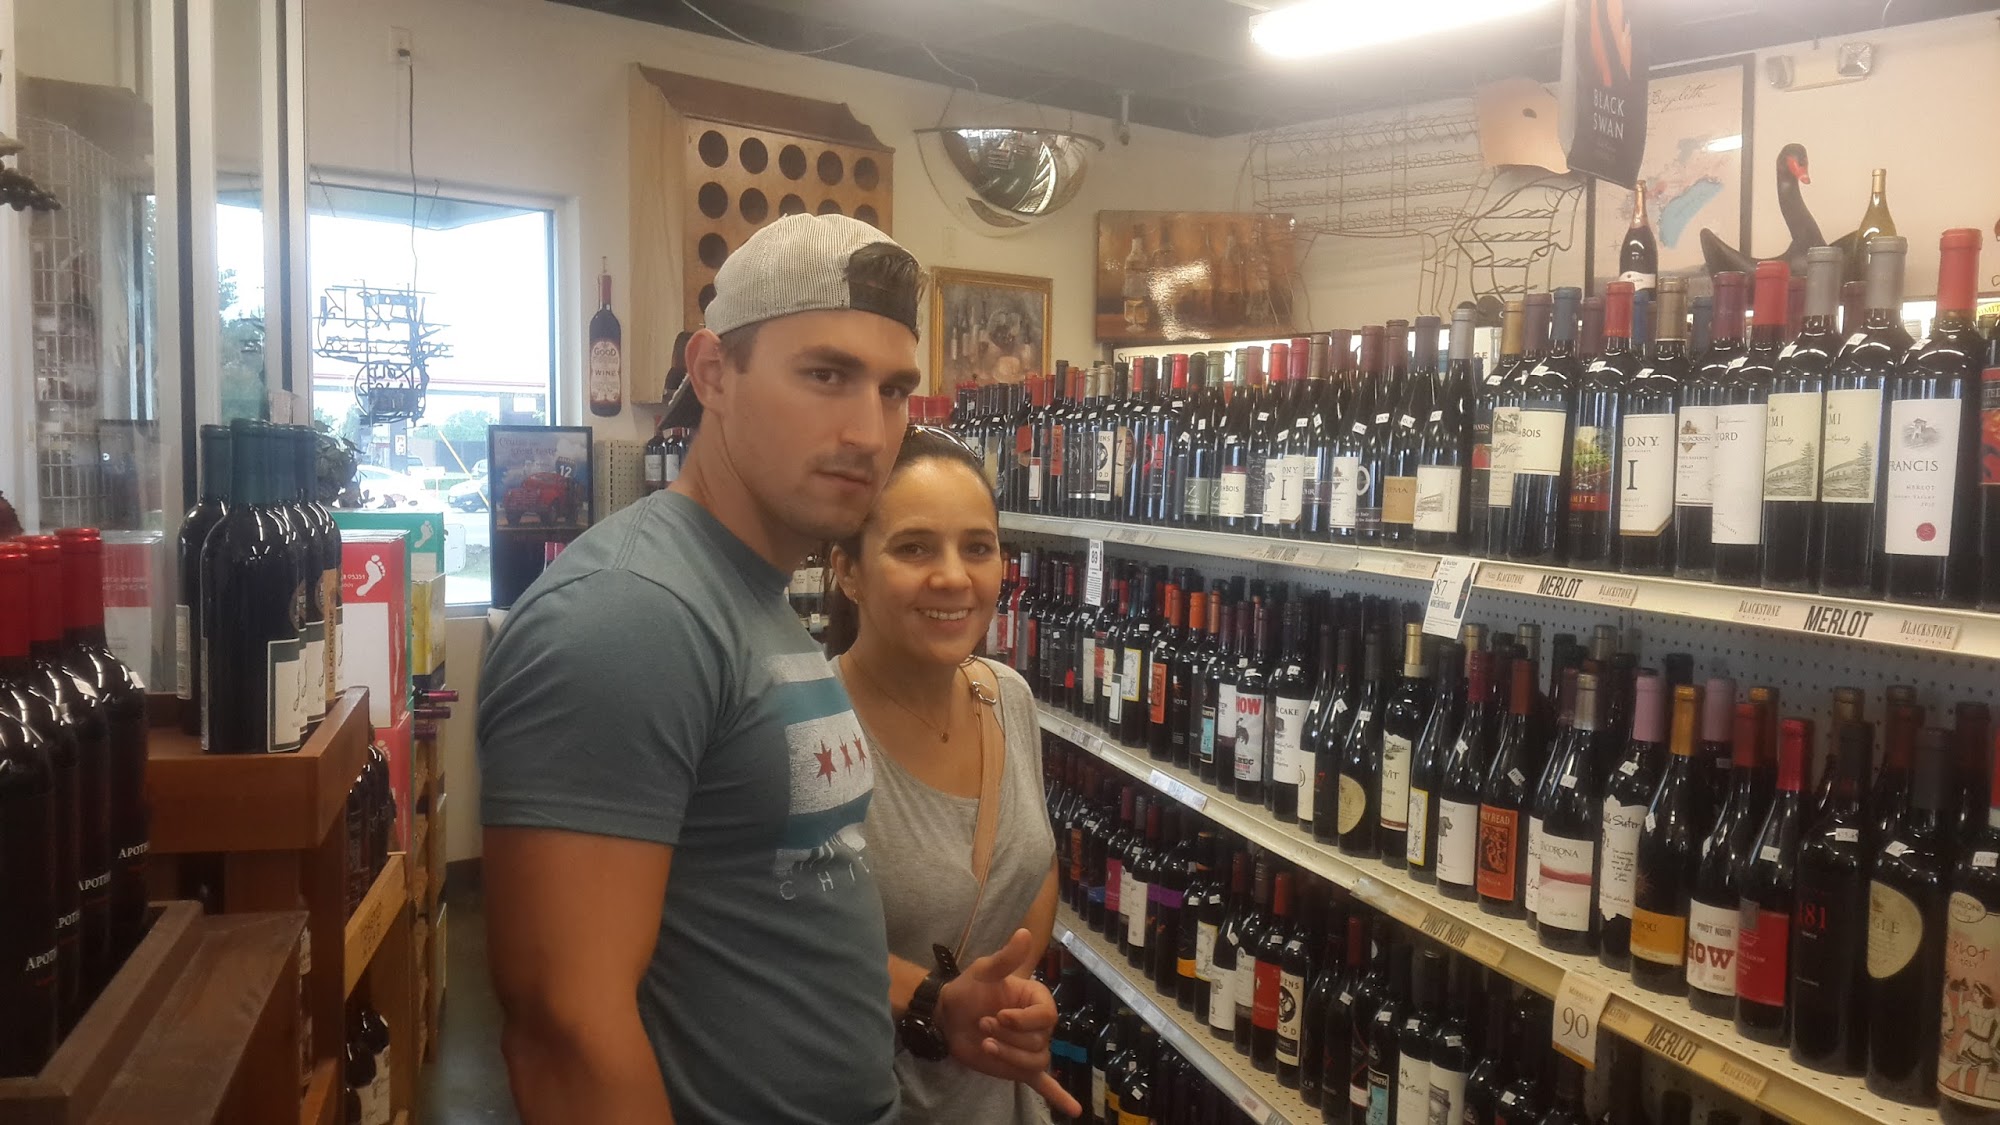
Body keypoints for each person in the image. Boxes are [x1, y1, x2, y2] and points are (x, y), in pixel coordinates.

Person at [476, 213, 1075, 1124]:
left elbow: (777, 911)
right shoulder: (631, 612)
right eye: (826, 374)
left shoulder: (752, 600)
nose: (868, 430)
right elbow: (565, 1032)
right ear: (713, 372)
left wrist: (930, 1002)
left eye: (894, 389)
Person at [824, 427, 1060, 1124]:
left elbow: (1034, 863)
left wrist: (1008, 994)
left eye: (977, 547)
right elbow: (774, 940)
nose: (954, 577)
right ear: (848, 571)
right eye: (915, 547)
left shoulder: (1007, 696)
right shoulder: (808, 730)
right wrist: (934, 1003)